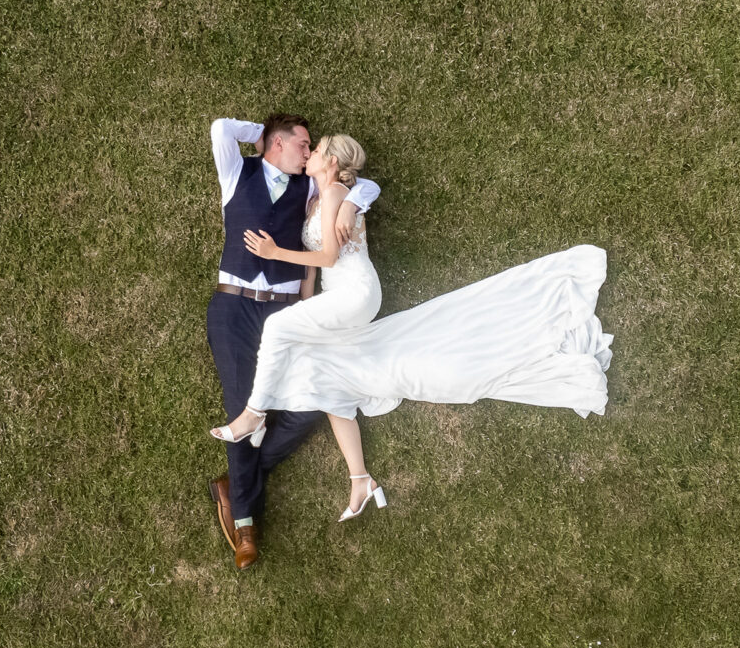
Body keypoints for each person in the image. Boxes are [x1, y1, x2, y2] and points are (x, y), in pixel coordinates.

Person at [211, 134, 615, 527]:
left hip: (354, 293)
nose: (311, 151)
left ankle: (255, 414)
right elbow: (316, 263)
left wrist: (274, 252)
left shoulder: (334, 192)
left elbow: (331, 256)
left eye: (316, 148)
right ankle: (360, 481)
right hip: (335, 297)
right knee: (327, 376)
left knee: (279, 327)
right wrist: (306, 301)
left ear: (332, 161)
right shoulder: (318, 196)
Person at [206, 114, 380, 570]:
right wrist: (259, 134)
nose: (307, 153)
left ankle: (239, 479)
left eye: (312, 148)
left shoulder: (311, 188)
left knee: (308, 406)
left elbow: (363, 187)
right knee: (241, 400)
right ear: (277, 143)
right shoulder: (236, 173)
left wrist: (348, 203)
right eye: (303, 144)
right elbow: (221, 128)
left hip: (286, 308)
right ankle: (245, 522)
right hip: (234, 308)